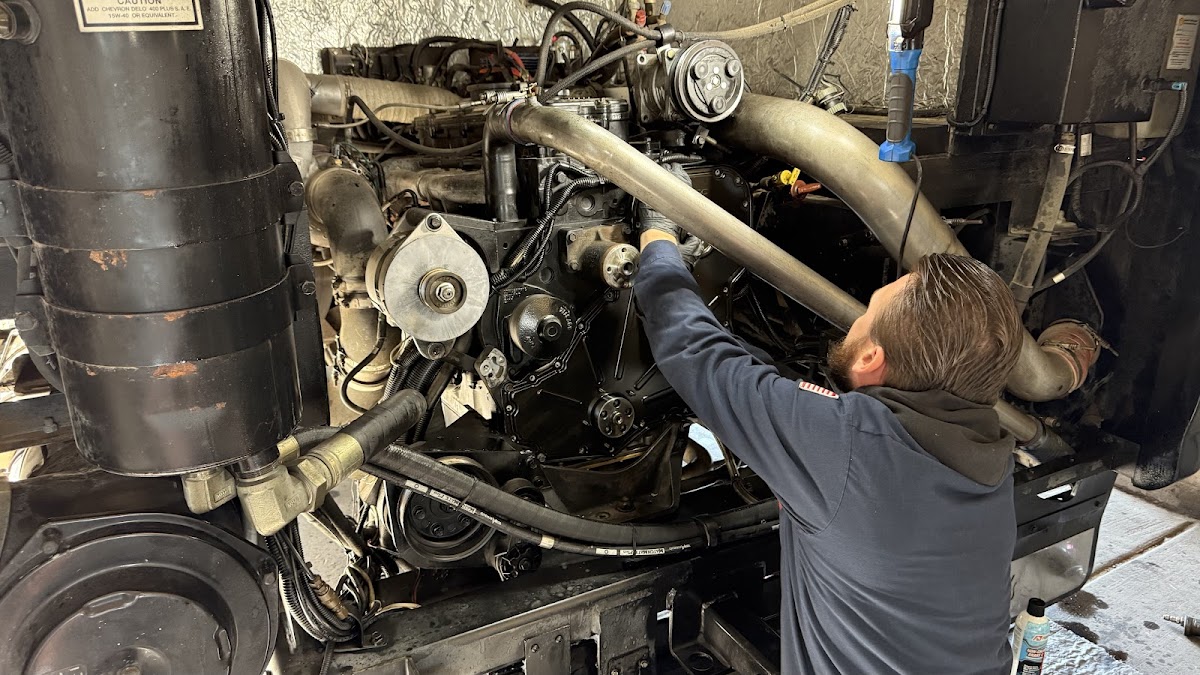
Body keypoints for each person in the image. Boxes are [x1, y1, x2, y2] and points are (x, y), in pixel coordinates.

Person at [633, 166, 1025, 675]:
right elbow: (783, 392)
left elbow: (695, 352)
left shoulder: (845, 449)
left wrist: (657, 235)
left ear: (869, 361)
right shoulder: (995, 451)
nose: (855, 318)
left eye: (867, 312)